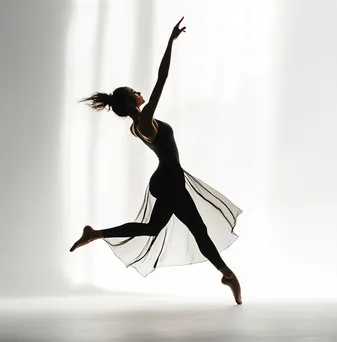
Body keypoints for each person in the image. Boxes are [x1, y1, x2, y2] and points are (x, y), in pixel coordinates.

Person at [70, 17, 243, 305]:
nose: (140, 92)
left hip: (167, 180)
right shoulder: (145, 121)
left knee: (155, 228)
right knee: (196, 230)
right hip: (170, 181)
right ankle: (227, 274)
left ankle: (96, 233)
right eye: (134, 92)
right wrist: (169, 43)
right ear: (131, 103)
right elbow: (162, 78)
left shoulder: (136, 126)